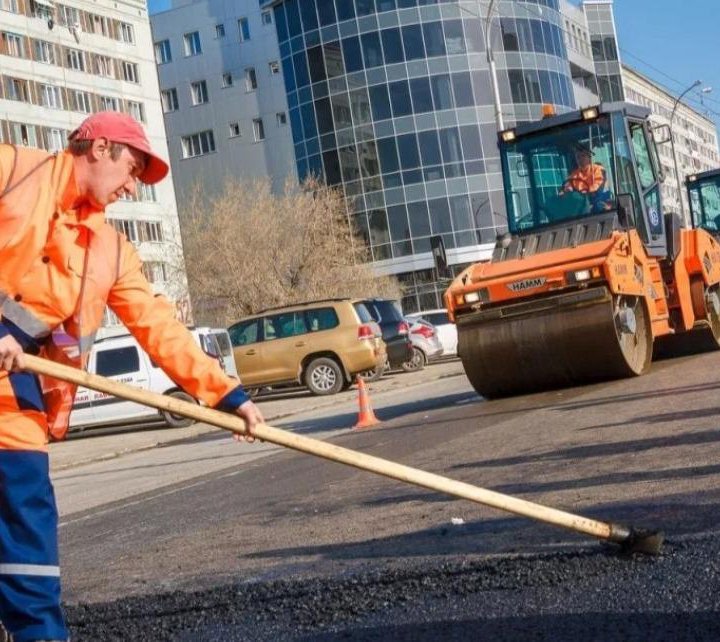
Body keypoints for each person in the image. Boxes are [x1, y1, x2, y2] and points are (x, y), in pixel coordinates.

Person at [0, 111, 263, 642]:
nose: (132, 186)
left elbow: (159, 326)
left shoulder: (109, 251)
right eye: (132, 167)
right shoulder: (11, 170)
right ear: (98, 147)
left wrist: (227, 395)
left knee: (30, 562)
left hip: (13, 406)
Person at [559, 145, 612, 212]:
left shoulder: (598, 169)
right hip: (582, 206)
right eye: (578, 157)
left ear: (589, 157)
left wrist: (583, 194)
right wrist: (565, 191)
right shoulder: (573, 175)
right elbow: (566, 187)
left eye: (583, 156)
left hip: (600, 202)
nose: (580, 159)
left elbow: (597, 187)